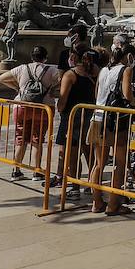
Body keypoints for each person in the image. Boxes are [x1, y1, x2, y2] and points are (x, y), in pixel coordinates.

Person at [0, 45, 59, 181]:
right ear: (45, 57)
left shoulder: (22, 68)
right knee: (37, 139)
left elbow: (1, 78)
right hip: (43, 107)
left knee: (20, 137)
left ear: (32, 57)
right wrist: (53, 89)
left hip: (21, 106)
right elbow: (62, 80)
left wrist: (17, 87)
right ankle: (37, 171)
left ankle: (16, 170)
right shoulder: (52, 70)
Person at [89, 45, 134, 215]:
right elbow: (127, 95)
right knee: (120, 163)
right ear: (128, 56)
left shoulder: (102, 71)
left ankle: (96, 202)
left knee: (98, 164)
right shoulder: (126, 70)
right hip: (114, 121)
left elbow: (96, 94)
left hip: (97, 117)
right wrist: (134, 101)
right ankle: (113, 204)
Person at [53, 47, 98, 200]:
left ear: (73, 56)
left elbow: (63, 98)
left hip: (73, 117)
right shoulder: (95, 73)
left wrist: (59, 108)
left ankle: (75, 188)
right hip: (90, 117)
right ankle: (93, 185)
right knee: (90, 153)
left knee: (72, 155)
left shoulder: (70, 74)